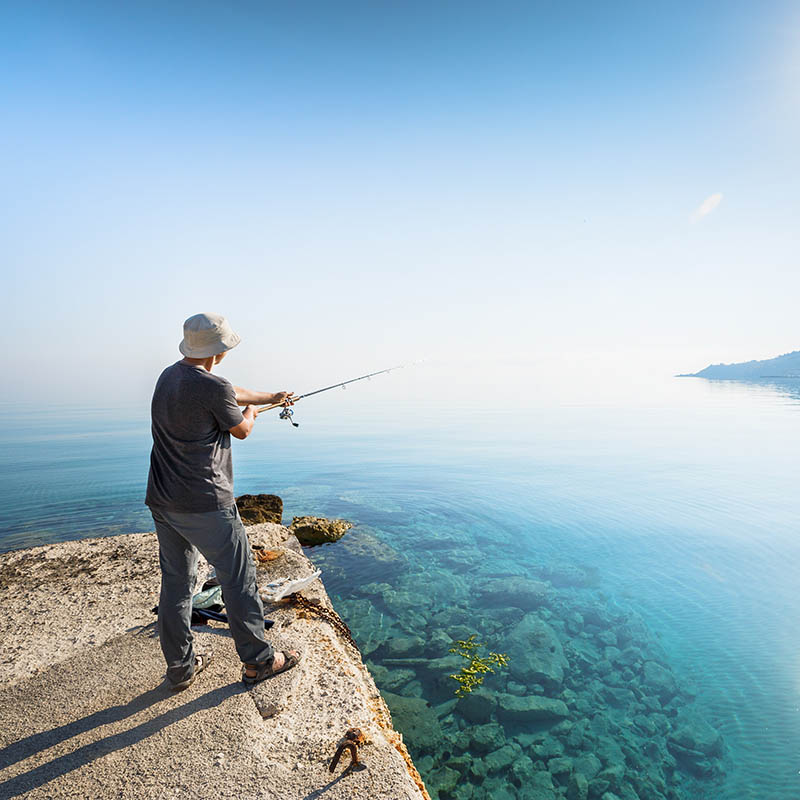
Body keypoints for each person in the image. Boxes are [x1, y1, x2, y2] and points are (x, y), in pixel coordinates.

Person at [146, 312, 300, 691]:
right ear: (220, 350)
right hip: (206, 503)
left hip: (164, 499)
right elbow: (243, 428)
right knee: (238, 581)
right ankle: (259, 661)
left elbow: (230, 391)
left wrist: (272, 397)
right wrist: (252, 413)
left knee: (177, 585)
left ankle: (180, 669)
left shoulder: (169, 377)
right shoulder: (212, 388)